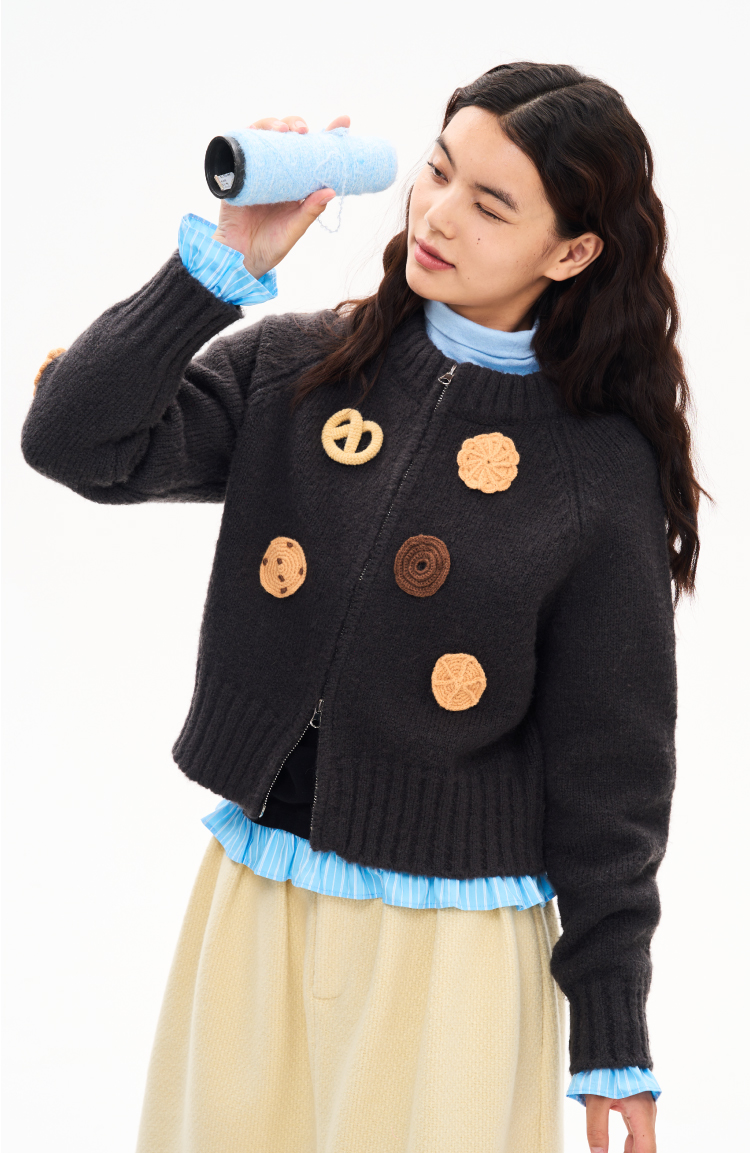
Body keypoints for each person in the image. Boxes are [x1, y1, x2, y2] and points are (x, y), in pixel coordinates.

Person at [21, 62, 702, 1153]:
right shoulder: (304, 365)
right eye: (439, 171)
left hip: (452, 946)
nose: (437, 215)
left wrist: (612, 1033)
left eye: (492, 205)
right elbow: (73, 439)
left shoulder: (597, 469)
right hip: (255, 895)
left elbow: (613, 767)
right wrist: (219, 268)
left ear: (572, 253)